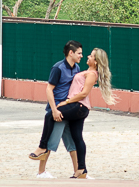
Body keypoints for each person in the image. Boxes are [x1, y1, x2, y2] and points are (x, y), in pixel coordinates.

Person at [30, 47, 116, 179]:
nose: (86, 56)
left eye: (91, 56)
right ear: (71, 53)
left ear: (96, 61)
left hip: (78, 106)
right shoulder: (74, 69)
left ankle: (41, 148)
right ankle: (81, 170)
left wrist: (66, 102)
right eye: (81, 53)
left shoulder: (91, 74)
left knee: (50, 115)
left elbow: (84, 93)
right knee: (77, 138)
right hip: (78, 107)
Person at [29, 41, 83, 177]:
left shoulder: (77, 68)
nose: (81, 56)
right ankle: (41, 172)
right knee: (51, 141)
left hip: (68, 109)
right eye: (79, 53)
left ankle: (78, 172)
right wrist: (54, 110)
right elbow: (49, 89)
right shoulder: (58, 68)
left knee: (72, 142)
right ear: (71, 53)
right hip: (58, 110)